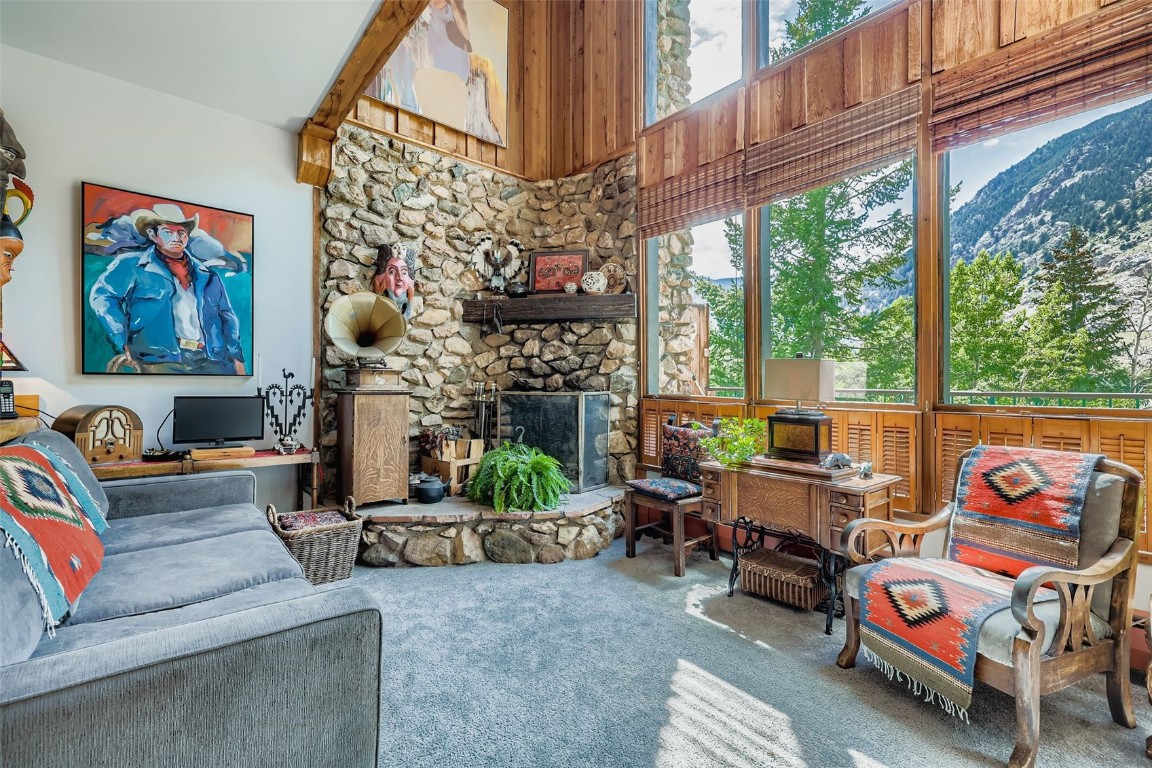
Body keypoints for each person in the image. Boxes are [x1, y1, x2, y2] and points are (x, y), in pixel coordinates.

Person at [89, 204, 246, 374]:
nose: (176, 238)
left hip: (211, 359)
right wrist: (123, 339)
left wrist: (236, 358)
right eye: (168, 232)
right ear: (153, 235)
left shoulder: (208, 275)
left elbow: (227, 316)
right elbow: (102, 297)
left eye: (181, 233)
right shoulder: (131, 265)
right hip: (158, 359)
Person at [370, 243, 416, 319]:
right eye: (392, 272)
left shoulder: (406, 298)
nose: (399, 277)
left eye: (404, 272)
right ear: (383, 276)